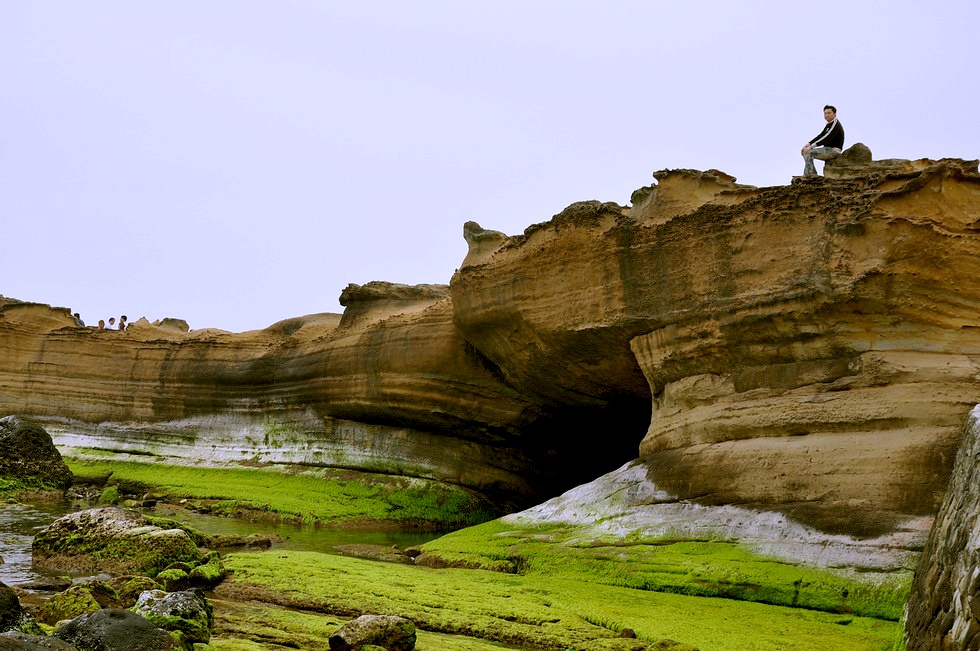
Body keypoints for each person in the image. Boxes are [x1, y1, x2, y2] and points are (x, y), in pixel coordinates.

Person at [801, 105, 844, 176]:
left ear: (834, 114)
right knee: (805, 152)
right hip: (827, 149)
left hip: (833, 151)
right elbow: (820, 136)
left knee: (809, 152)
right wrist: (807, 144)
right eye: (825, 113)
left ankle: (811, 174)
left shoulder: (835, 124)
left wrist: (811, 147)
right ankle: (809, 174)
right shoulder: (829, 125)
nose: (826, 115)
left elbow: (826, 138)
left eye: (829, 113)